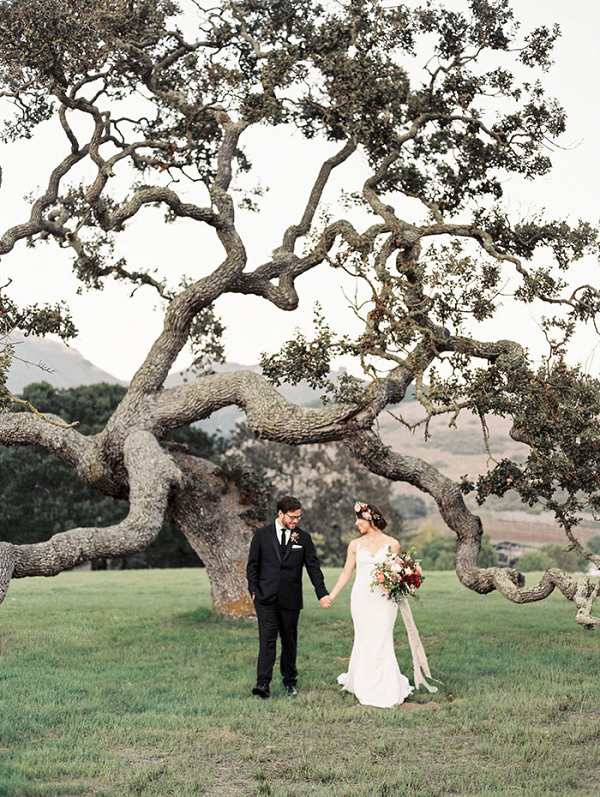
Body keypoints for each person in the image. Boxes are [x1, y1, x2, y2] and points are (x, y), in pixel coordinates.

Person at [329, 501, 437, 708]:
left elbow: (398, 570)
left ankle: (384, 686)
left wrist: (403, 579)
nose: (355, 523)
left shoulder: (392, 544)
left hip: (384, 600)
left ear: (369, 518)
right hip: (361, 599)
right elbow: (346, 573)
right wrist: (331, 595)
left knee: (381, 639)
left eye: (358, 519)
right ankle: (364, 682)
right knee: (364, 639)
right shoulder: (354, 545)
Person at [246, 495, 332, 699]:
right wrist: (253, 591)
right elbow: (252, 566)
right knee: (267, 641)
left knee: (289, 641)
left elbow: (313, 568)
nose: (295, 521)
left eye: (298, 518)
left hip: (291, 599)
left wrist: (322, 593)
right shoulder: (262, 535)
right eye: (292, 517)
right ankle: (263, 684)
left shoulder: (303, 538)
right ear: (280, 513)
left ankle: (290, 682)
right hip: (265, 598)